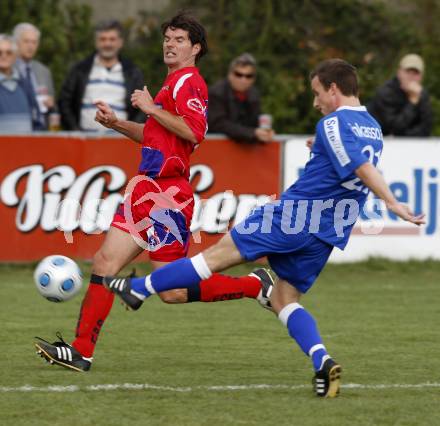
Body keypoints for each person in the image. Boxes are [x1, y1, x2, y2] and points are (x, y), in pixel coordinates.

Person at [103, 59, 425, 398]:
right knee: (283, 298)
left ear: (333, 89)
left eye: (317, 94)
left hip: (295, 215)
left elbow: (360, 167)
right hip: (329, 230)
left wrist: (391, 202)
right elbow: (351, 162)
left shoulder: (334, 122)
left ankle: (140, 288)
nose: (315, 103)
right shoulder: (371, 125)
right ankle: (323, 361)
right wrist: (322, 151)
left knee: (214, 257)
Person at [34, 13, 273, 372]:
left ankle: (254, 285)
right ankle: (81, 351)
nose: (170, 44)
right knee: (104, 263)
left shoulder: (190, 83)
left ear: (195, 48)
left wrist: (150, 108)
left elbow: (194, 133)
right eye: (167, 38)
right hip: (145, 189)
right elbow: (152, 135)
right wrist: (117, 123)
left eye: (179, 39)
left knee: (172, 291)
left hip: (168, 196)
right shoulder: (170, 84)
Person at [58, 20, 145, 131]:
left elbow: (142, 107)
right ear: (96, 42)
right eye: (103, 39)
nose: (107, 44)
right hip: (83, 141)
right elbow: (64, 102)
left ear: (120, 42)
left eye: (112, 39)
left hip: (121, 141)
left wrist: (132, 132)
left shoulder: (132, 72)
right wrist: (75, 130)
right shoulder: (80, 70)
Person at [208, 53, 274, 144]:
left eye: (248, 76)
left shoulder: (254, 95)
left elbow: (255, 123)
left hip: (244, 151)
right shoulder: (216, 93)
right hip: (214, 148)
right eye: (238, 74)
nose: (243, 79)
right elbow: (218, 124)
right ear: (230, 75)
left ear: (253, 79)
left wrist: (264, 133)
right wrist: (252, 133)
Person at [368, 53, 433, 136]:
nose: (411, 77)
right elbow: (394, 127)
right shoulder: (385, 92)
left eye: (415, 73)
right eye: (408, 72)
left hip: (411, 144)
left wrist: (406, 135)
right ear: (399, 72)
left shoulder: (422, 94)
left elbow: (426, 129)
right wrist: (413, 102)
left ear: (421, 77)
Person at [13, 23, 55, 130]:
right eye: (26, 41)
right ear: (16, 43)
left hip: (42, 130)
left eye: (34, 42)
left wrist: (51, 103)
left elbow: (52, 103)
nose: (30, 46)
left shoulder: (44, 71)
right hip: (16, 128)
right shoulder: (8, 68)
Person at [0, 34, 32, 133]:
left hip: (26, 145)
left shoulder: (25, 84)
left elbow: (36, 118)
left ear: (15, 56)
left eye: (9, 52)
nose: (4, 56)